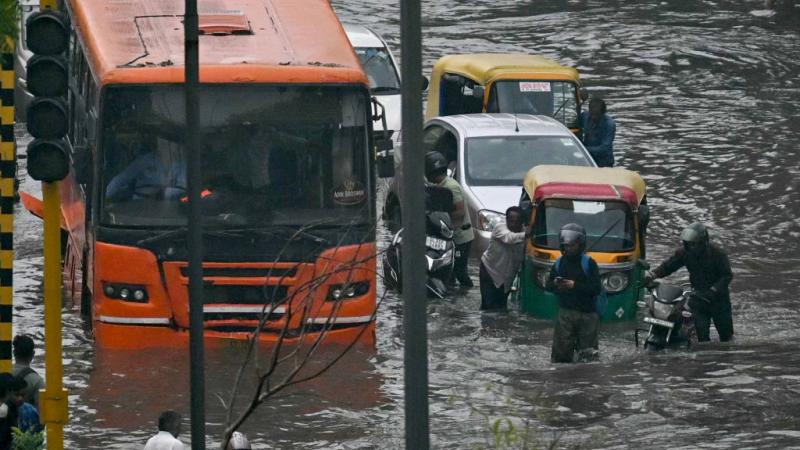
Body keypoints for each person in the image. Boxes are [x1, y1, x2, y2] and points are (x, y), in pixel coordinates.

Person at [644, 223, 733, 342]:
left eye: (694, 244)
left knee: (726, 336)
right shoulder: (684, 253)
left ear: (703, 242)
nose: (691, 247)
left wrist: (713, 290)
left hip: (719, 300)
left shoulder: (718, 254)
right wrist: (652, 275)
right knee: (702, 337)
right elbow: (669, 266)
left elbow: (727, 276)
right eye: (688, 244)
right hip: (698, 299)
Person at [546, 223, 602, 363]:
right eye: (566, 245)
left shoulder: (589, 263)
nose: (569, 248)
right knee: (560, 355)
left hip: (587, 314)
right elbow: (548, 286)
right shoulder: (559, 263)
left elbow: (596, 288)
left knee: (588, 356)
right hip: (565, 313)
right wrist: (556, 284)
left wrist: (574, 285)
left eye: (572, 245)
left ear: (580, 245)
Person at [425, 151, 474, 288]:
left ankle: (467, 295)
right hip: (448, 236)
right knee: (447, 269)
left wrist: (439, 218)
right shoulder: (439, 186)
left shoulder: (451, 187)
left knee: (460, 271)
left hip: (461, 236)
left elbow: (460, 212)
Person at [479, 206, 527, 310]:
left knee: (502, 308)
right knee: (487, 308)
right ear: (506, 220)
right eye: (511, 221)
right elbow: (509, 238)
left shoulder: (525, 234)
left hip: (507, 278)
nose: (513, 224)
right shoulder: (500, 228)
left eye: (517, 222)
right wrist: (528, 234)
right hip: (489, 271)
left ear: (522, 222)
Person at [106, 145, 187, 202]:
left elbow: (182, 189)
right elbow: (121, 179)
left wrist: (163, 192)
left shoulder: (183, 166)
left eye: (174, 144)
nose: (171, 147)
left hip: (172, 211)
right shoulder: (146, 161)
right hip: (138, 209)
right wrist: (105, 199)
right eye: (164, 142)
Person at [579, 97, 616, 167]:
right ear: (589, 111)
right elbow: (575, 126)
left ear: (603, 113)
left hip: (604, 162)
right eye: (592, 114)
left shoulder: (609, 124)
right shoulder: (585, 116)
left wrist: (583, 149)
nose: (593, 117)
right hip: (587, 158)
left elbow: (605, 148)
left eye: (597, 115)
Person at [11, 335, 45, 409]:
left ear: (14, 352)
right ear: (33, 354)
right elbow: (42, 412)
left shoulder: (4, 373)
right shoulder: (37, 381)